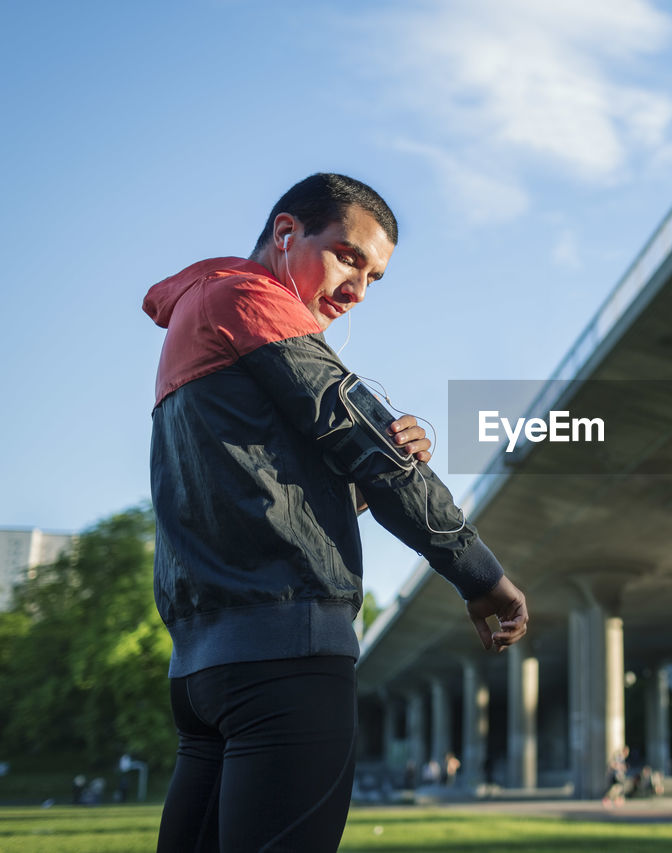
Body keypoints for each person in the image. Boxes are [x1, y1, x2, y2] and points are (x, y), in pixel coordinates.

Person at [146, 173, 529, 852]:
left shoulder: (198, 312)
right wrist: (481, 574)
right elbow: (377, 462)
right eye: (348, 257)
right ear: (287, 233)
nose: (357, 290)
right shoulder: (254, 302)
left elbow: (263, 491)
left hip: (202, 669)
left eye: (375, 277)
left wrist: (366, 459)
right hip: (285, 656)